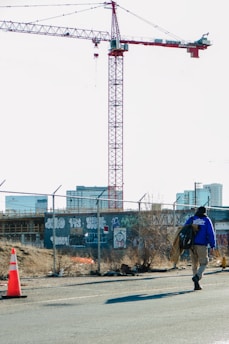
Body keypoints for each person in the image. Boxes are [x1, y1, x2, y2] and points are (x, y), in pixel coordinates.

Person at [184, 206, 216, 291]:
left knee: (195, 264)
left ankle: (196, 285)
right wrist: (212, 245)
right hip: (202, 245)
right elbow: (210, 233)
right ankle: (197, 277)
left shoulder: (192, 219)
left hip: (192, 245)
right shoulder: (206, 220)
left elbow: (184, 228)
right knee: (204, 262)